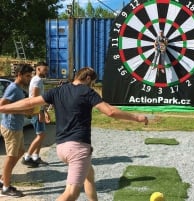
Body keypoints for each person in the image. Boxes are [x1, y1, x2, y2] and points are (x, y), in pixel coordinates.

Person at [0, 67, 148, 200]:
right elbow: (110, 111)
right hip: (77, 148)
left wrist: (4, 108)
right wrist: (137, 117)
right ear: (88, 78)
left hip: (62, 148)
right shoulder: (87, 91)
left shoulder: (58, 90)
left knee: (89, 175)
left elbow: (30, 102)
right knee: (71, 193)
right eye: (93, 82)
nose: (92, 86)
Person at [0, 64, 34, 197]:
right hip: (11, 127)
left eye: (30, 76)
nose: (29, 79)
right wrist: (23, 110)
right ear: (19, 75)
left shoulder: (19, 89)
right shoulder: (13, 88)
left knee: (20, 152)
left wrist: (26, 111)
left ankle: (3, 178)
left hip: (17, 127)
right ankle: (6, 188)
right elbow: (2, 107)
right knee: (11, 156)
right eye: (27, 76)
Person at [22, 62, 50, 168]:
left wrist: (45, 111)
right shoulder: (37, 81)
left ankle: (36, 157)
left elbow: (39, 99)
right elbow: (35, 98)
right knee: (41, 135)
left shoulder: (37, 80)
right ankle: (27, 157)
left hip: (38, 110)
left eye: (46, 69)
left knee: (41, 135)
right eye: (44, 69)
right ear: (38, 69)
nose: (46, 71)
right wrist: (40, 112)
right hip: (36, 112)